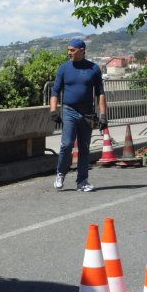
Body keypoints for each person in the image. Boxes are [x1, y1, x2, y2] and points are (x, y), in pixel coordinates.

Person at [49, 38, 107, 192]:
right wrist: (53, 111)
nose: (69, 53)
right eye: (68, 50)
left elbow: (100, 93)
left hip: (87, 113)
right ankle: (61, 173)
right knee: (66, 144)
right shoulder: (64, 68)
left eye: (72, 50)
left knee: (84, 148)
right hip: (69, 111)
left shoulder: (93, 69)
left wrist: (103, 115)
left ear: (82, 50)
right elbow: (55, 91)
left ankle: (82, 181)